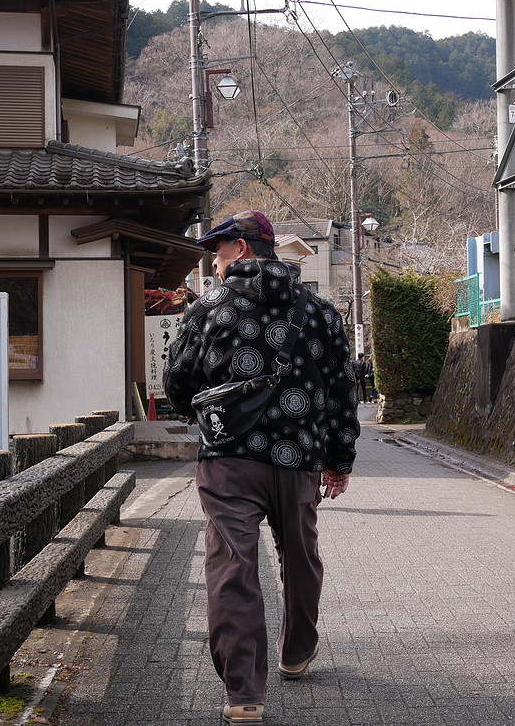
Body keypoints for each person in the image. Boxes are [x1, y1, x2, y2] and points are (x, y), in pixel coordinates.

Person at [163, 210, 359, 725]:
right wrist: (339, 461)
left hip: (229, 460)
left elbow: (178, 382)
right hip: (299, 461)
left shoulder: (208, 308)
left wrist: (202, 407)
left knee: (232, 565)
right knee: (300, 552)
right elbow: (342, 394)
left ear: (244, 249)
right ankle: (296, 652)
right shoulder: (320, 311)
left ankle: (244, 693)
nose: (215, 258)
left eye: (221, 248)